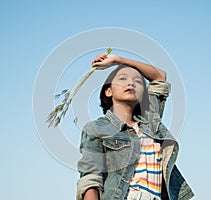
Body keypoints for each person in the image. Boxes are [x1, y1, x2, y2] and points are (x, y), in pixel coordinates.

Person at [76, 53, 194, 200]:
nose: (130, 83)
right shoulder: (97, 128)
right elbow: (91, 179)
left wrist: (118, 60)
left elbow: (159, 77)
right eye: (122, 79)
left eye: (137, 81)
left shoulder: (150, 121)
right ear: (108, 91)